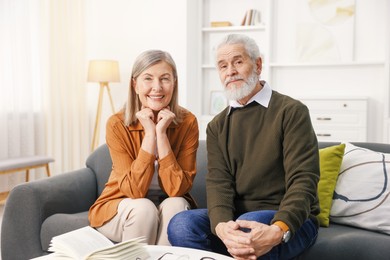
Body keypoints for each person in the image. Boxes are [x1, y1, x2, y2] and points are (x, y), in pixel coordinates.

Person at [167, 34, 320, 259]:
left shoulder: (291, 112)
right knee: (181, 224)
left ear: (258, 64)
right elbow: (219, 182)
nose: (230, 71)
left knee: (251, 225)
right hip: (240, 219)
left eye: (238, 62)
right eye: (223, 66)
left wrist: (279, 228)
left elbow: (303, 179)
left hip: (289, 220)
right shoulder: (217, 126)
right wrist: (221, 226)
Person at [88, 50, 199, 246]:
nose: (157, 87)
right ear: (135, 84)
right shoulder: (116, 124)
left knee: (178, 204)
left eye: (165, 79)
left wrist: (161, 134)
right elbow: (134, 191)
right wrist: (149, 135)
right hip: (122, 205)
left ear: (174, 83)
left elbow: (177, 189)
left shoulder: (188, 122)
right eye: (148, 78)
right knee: (144, 208)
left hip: (167, 202)